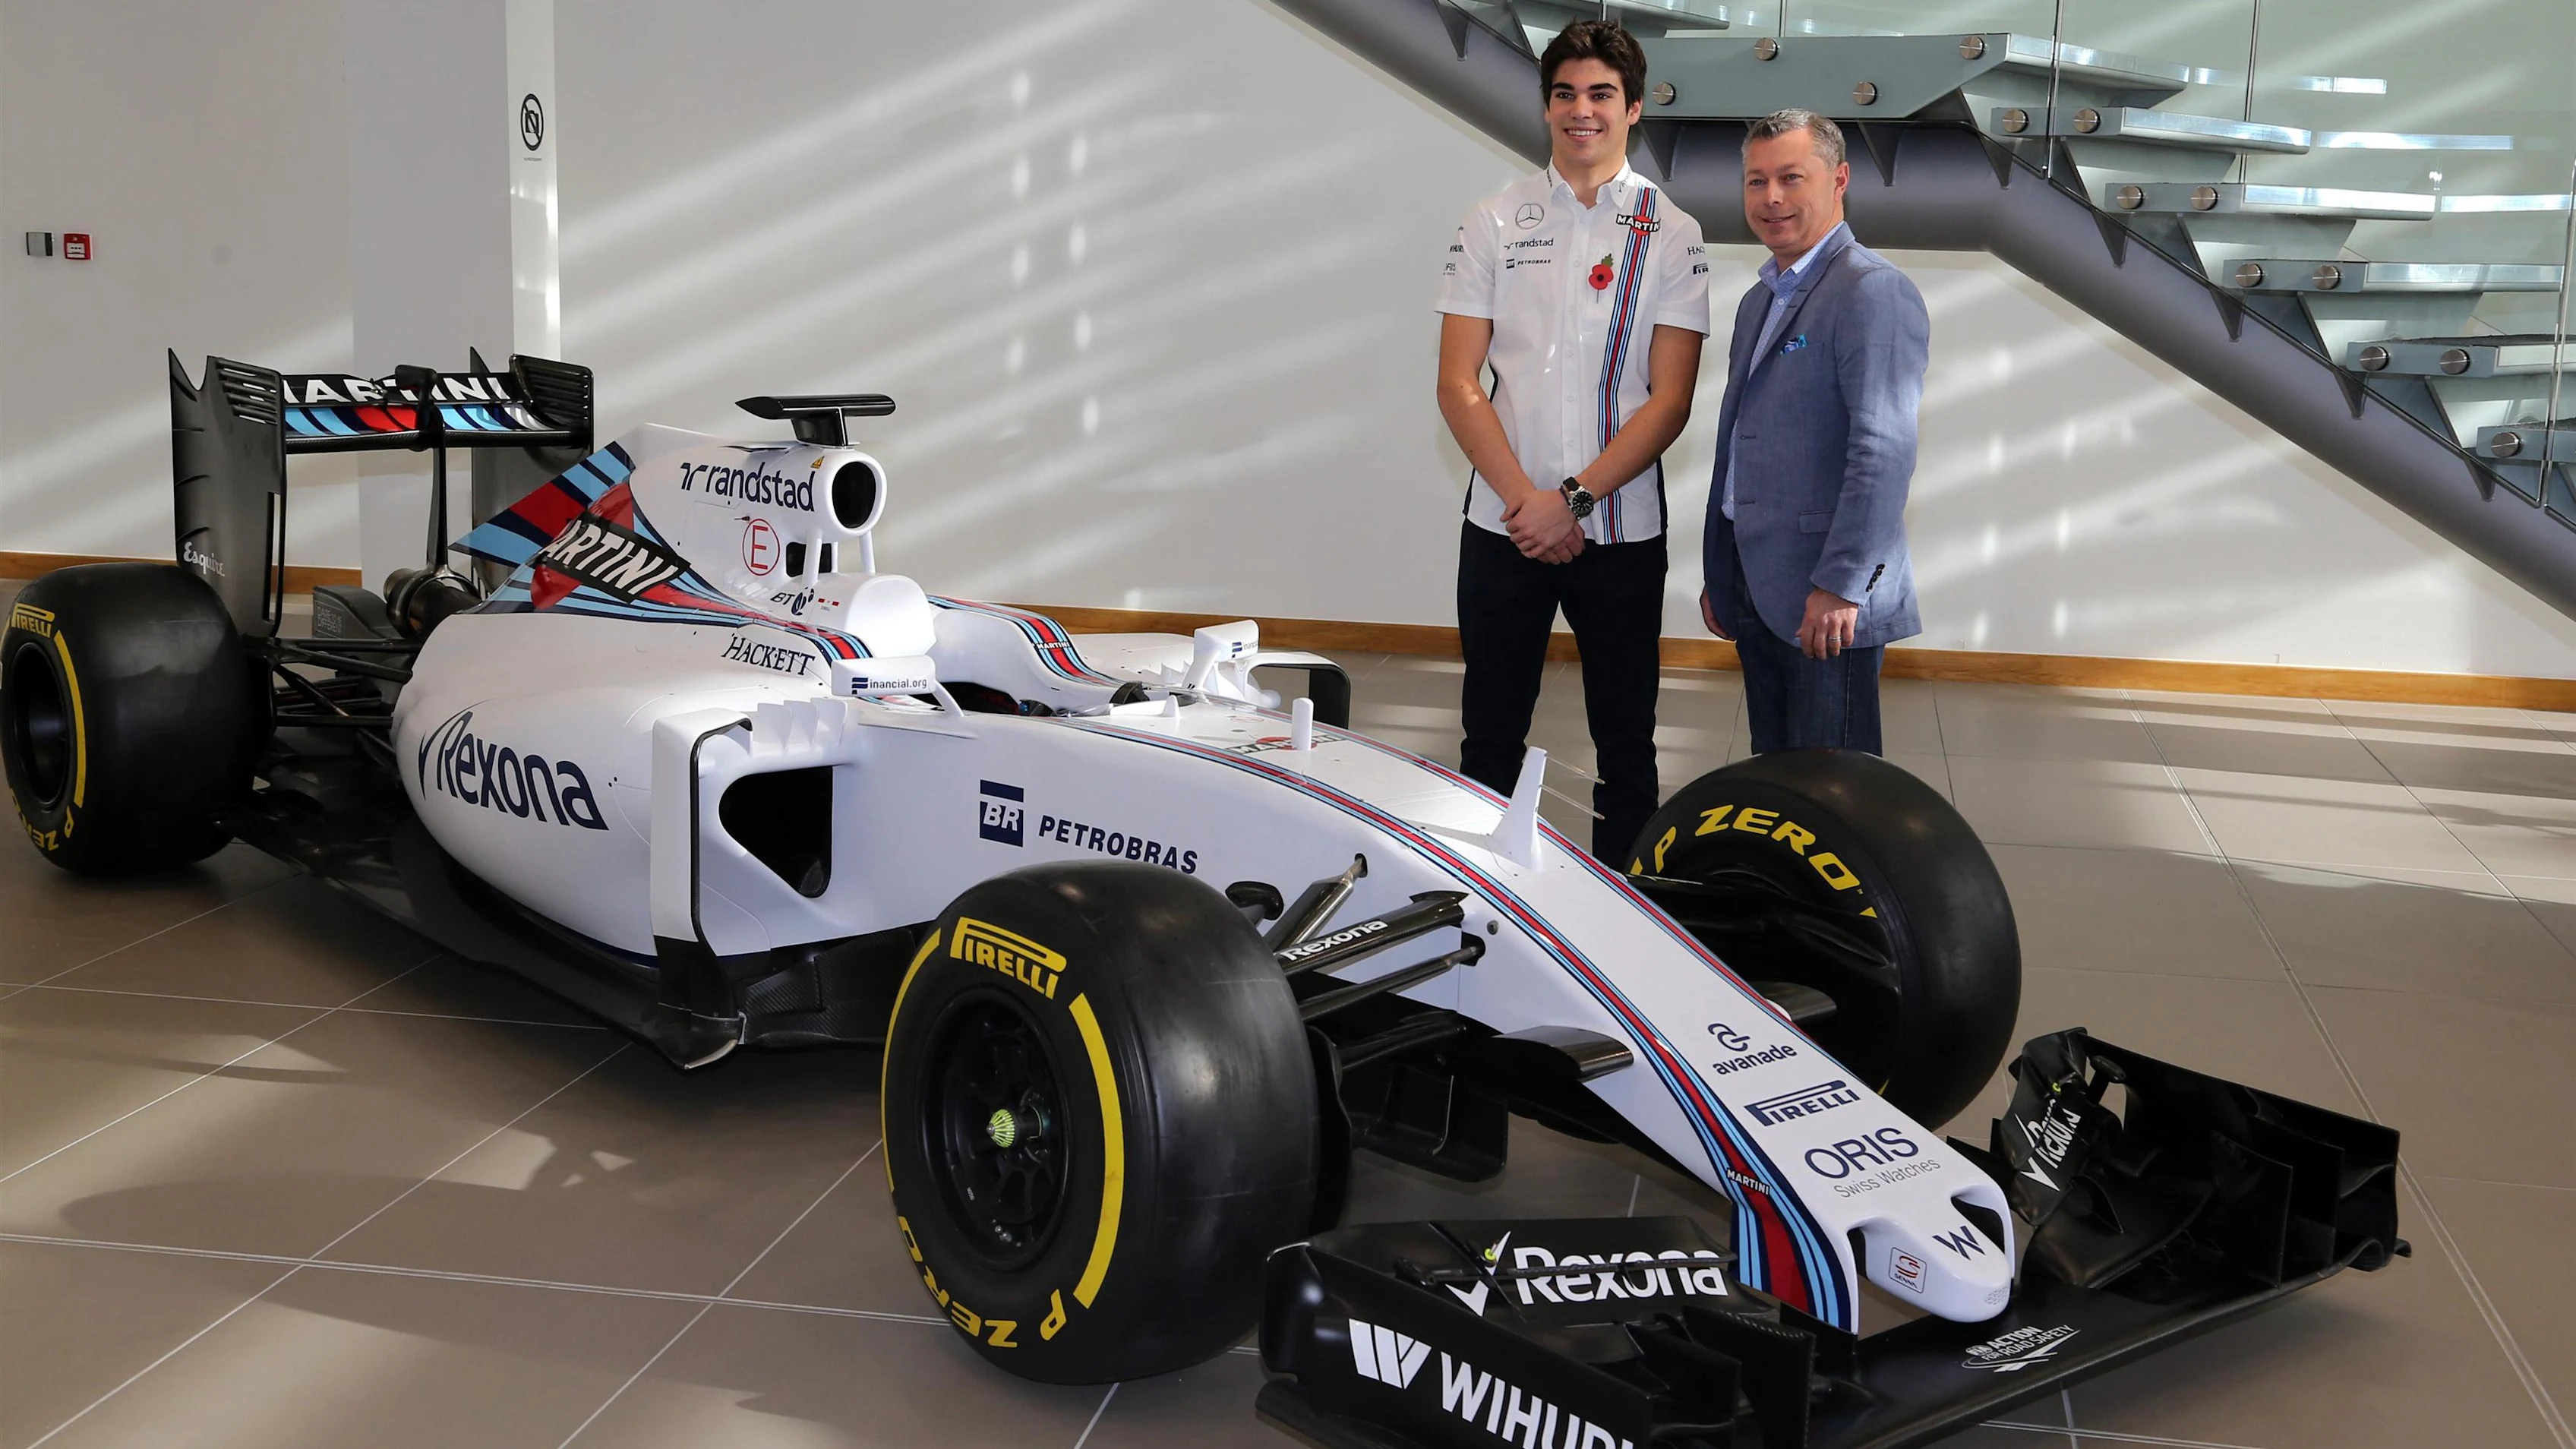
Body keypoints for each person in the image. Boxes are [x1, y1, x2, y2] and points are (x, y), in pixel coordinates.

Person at [1434, 19, 1710, 861]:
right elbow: (1457, 384)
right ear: (1546, 106)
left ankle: (1626, 911)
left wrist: (1575, 501)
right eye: (1564, 94)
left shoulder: (1673, 232)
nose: (1580, 110)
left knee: (1625, 746)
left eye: (1600, 94)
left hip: (1620, 532)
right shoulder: (1492, 220)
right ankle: (1481, 903)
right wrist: (1532, 505)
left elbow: (1670, 401)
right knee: (1487, 738)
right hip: (1504, 525)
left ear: (1634, 109)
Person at [1700, 108, 1927, 755]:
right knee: (1776, 779)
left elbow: (1882, 451)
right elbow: (1746, 440)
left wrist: (1842, 585)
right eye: (1756, 181)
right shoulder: (1760, 299)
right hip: (1756, 583)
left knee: (1833, 787)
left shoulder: (1871, 291)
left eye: (1791, 177)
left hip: (1827, 596)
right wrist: (1725, 570)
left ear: (1840, 180)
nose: (1771, 197)